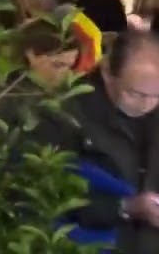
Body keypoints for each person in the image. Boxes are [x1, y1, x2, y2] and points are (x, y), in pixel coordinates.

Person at [32, 29, 159, 252]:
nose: (146, 105)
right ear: (107, 73)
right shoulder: (64, 115)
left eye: (156, 95)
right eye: (135, 93)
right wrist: (124, 207)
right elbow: (45, 200)